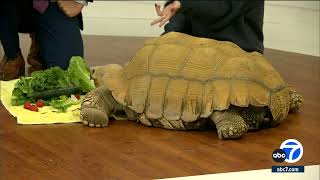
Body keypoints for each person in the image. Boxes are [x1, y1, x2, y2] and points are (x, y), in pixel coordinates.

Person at [0, 0, 92, 81]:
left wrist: (79, 1)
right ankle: (13, 55)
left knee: (65, 73)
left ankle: (40, 42)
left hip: (52, 4)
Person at [151, 0, 265, 54]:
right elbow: (181, 11)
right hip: (201, 48)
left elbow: (223, 9)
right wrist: (171, 33)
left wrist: (184, 4)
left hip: (241, 50)